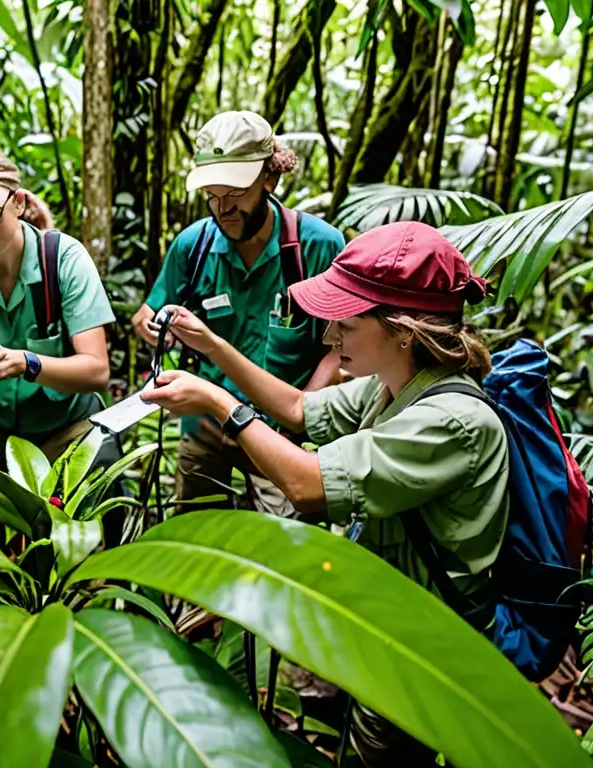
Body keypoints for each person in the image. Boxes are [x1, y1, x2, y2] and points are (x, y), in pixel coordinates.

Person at [141, 221, 509, 767]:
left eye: (347, 324)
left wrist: (222, 405)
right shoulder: (391, 385)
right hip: (382, 626)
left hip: (424, 649)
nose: (330, 337)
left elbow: (306, 484)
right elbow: (295, 409)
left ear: (403, 329)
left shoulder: (452, 420)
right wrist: (213, 348)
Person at [131, 110, 345, 517]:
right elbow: (145, 315)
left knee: (287, 544)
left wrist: (306, 409)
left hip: (281, 428)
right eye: (212, 193)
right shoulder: (192, 246)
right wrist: (157, 327)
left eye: (234, 191)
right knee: (193, 537)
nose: (222, 206)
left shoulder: (317, 246)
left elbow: (342, 343)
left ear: (269, 177)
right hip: (204, 420)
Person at [0, 146, 116, 478]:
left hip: (64, 429)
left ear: (18, 202)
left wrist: (27, 363)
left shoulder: (63, 260)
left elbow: (96, 371)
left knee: (70, 526)